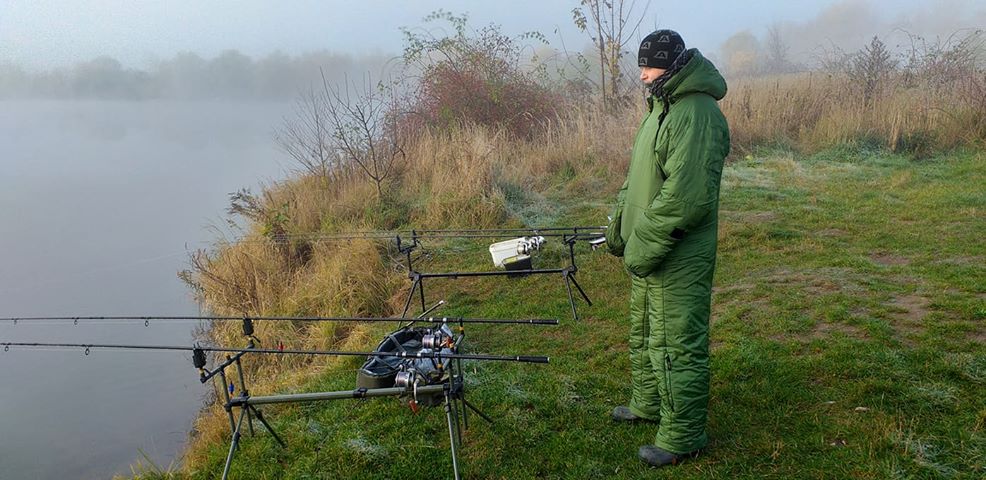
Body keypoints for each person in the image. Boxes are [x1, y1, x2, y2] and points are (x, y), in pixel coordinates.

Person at [604, 29, 730, 467]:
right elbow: (639, 175)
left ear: (673, 64)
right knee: (645, 332)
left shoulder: (696, 113)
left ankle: (682, 436)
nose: (642, 76)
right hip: (650, 246)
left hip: (677, 251)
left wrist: (643, 246)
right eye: (641, 66)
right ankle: (648, 404)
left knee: (677, 341)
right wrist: (622, 226)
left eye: (649, 66)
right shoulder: (662, 105)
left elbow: (687, 197)